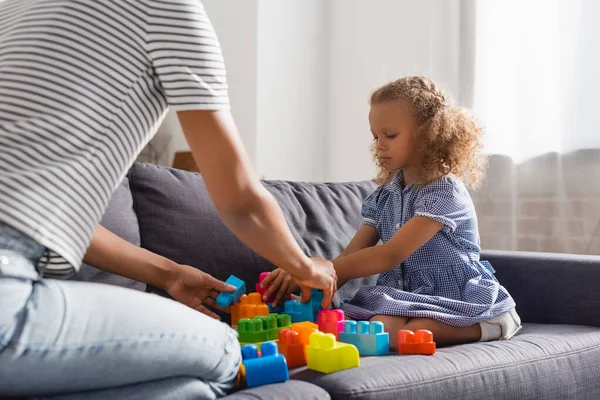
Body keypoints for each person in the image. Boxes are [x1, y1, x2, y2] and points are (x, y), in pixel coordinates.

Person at [0, 1, 336, 398]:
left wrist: (169, 274)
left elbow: (44, 221)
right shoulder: (165, 8)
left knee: (181, 383)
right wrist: (304, 266)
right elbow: (239, 196)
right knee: (224, 349)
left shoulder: (17, 9)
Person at [263, 76, 521, 349]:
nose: (379, 145)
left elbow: (390, 255)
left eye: (391, 135)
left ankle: (495, 322)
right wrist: (318, 286)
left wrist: (317, 268)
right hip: (408, 296)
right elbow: (351, 256)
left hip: (456, 295)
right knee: (382, 329)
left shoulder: (445, 192)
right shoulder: (384, 197)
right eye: (376, 136)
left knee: (418, 330)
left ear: (429, 135)